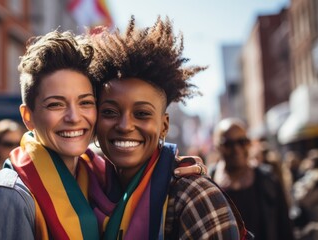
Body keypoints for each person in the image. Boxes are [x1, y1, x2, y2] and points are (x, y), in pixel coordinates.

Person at [0, 29, 204, 240]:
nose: (73, 117)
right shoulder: (3, 200)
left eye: (85, 102)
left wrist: (169, 165)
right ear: (28, 117)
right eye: (56, 104)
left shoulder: (97, 180)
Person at [85, 16, 249, 239]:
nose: (124, 126)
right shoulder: (87, 188)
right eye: (109, 112)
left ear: (164, 126)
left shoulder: (194, 196)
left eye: (142, 114)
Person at [210, 118, 294, 240]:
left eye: (242, 142)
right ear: (217, 147)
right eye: (228, 144)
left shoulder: (268, 179)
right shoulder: (209, 182)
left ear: (249, 143)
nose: (236, 149)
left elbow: (285, 229)